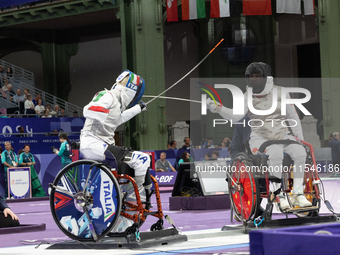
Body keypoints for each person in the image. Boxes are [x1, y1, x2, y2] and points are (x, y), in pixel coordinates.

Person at [206, 62, 311, 209]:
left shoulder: (281, 92)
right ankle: (278, 194)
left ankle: (298, 194)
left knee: (300, 152)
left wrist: (300, 139)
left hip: (282, 135)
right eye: (251, 76)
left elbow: (292, 117)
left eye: (257, 76)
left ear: (266, 77)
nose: (253, 79)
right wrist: (219, 109)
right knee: (275, 152)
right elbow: (236, 116)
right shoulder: (246, 96)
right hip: (260, 138)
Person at [79, 70, 151, 193]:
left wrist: (138, 108)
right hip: (93, 145)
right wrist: (103, 113)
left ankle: (143, 201)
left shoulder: (116, 103)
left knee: (137, 163)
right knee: (142, 159)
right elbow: (88, 110)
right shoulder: (108, 96)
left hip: (103, 147)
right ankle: (138, 196)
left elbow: (118, 118)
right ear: (131, 90)